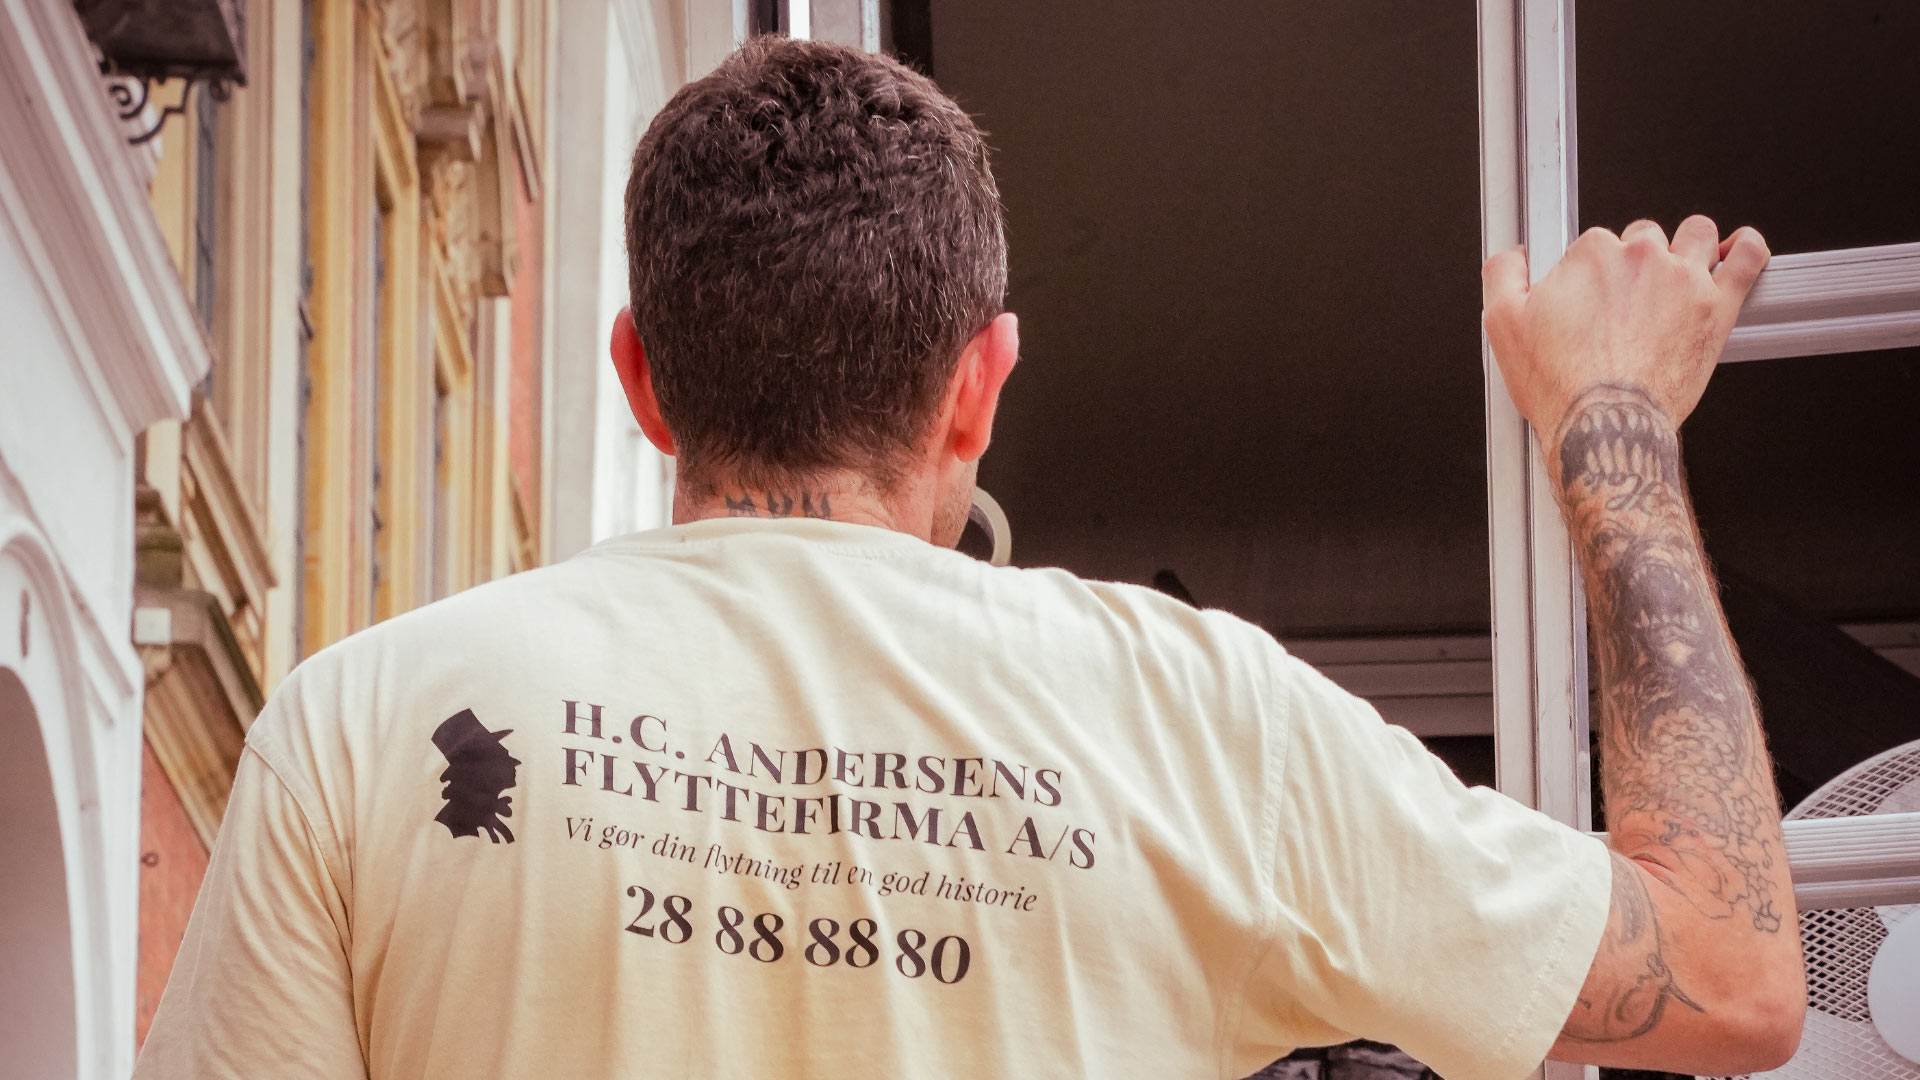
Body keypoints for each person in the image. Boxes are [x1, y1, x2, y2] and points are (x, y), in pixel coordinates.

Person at [135, 37, 1805, 1080]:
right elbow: (1729, 976)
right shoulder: (1202, 723)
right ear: (978, 387)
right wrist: (1612, 424)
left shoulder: (363, 729)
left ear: (643, 378)